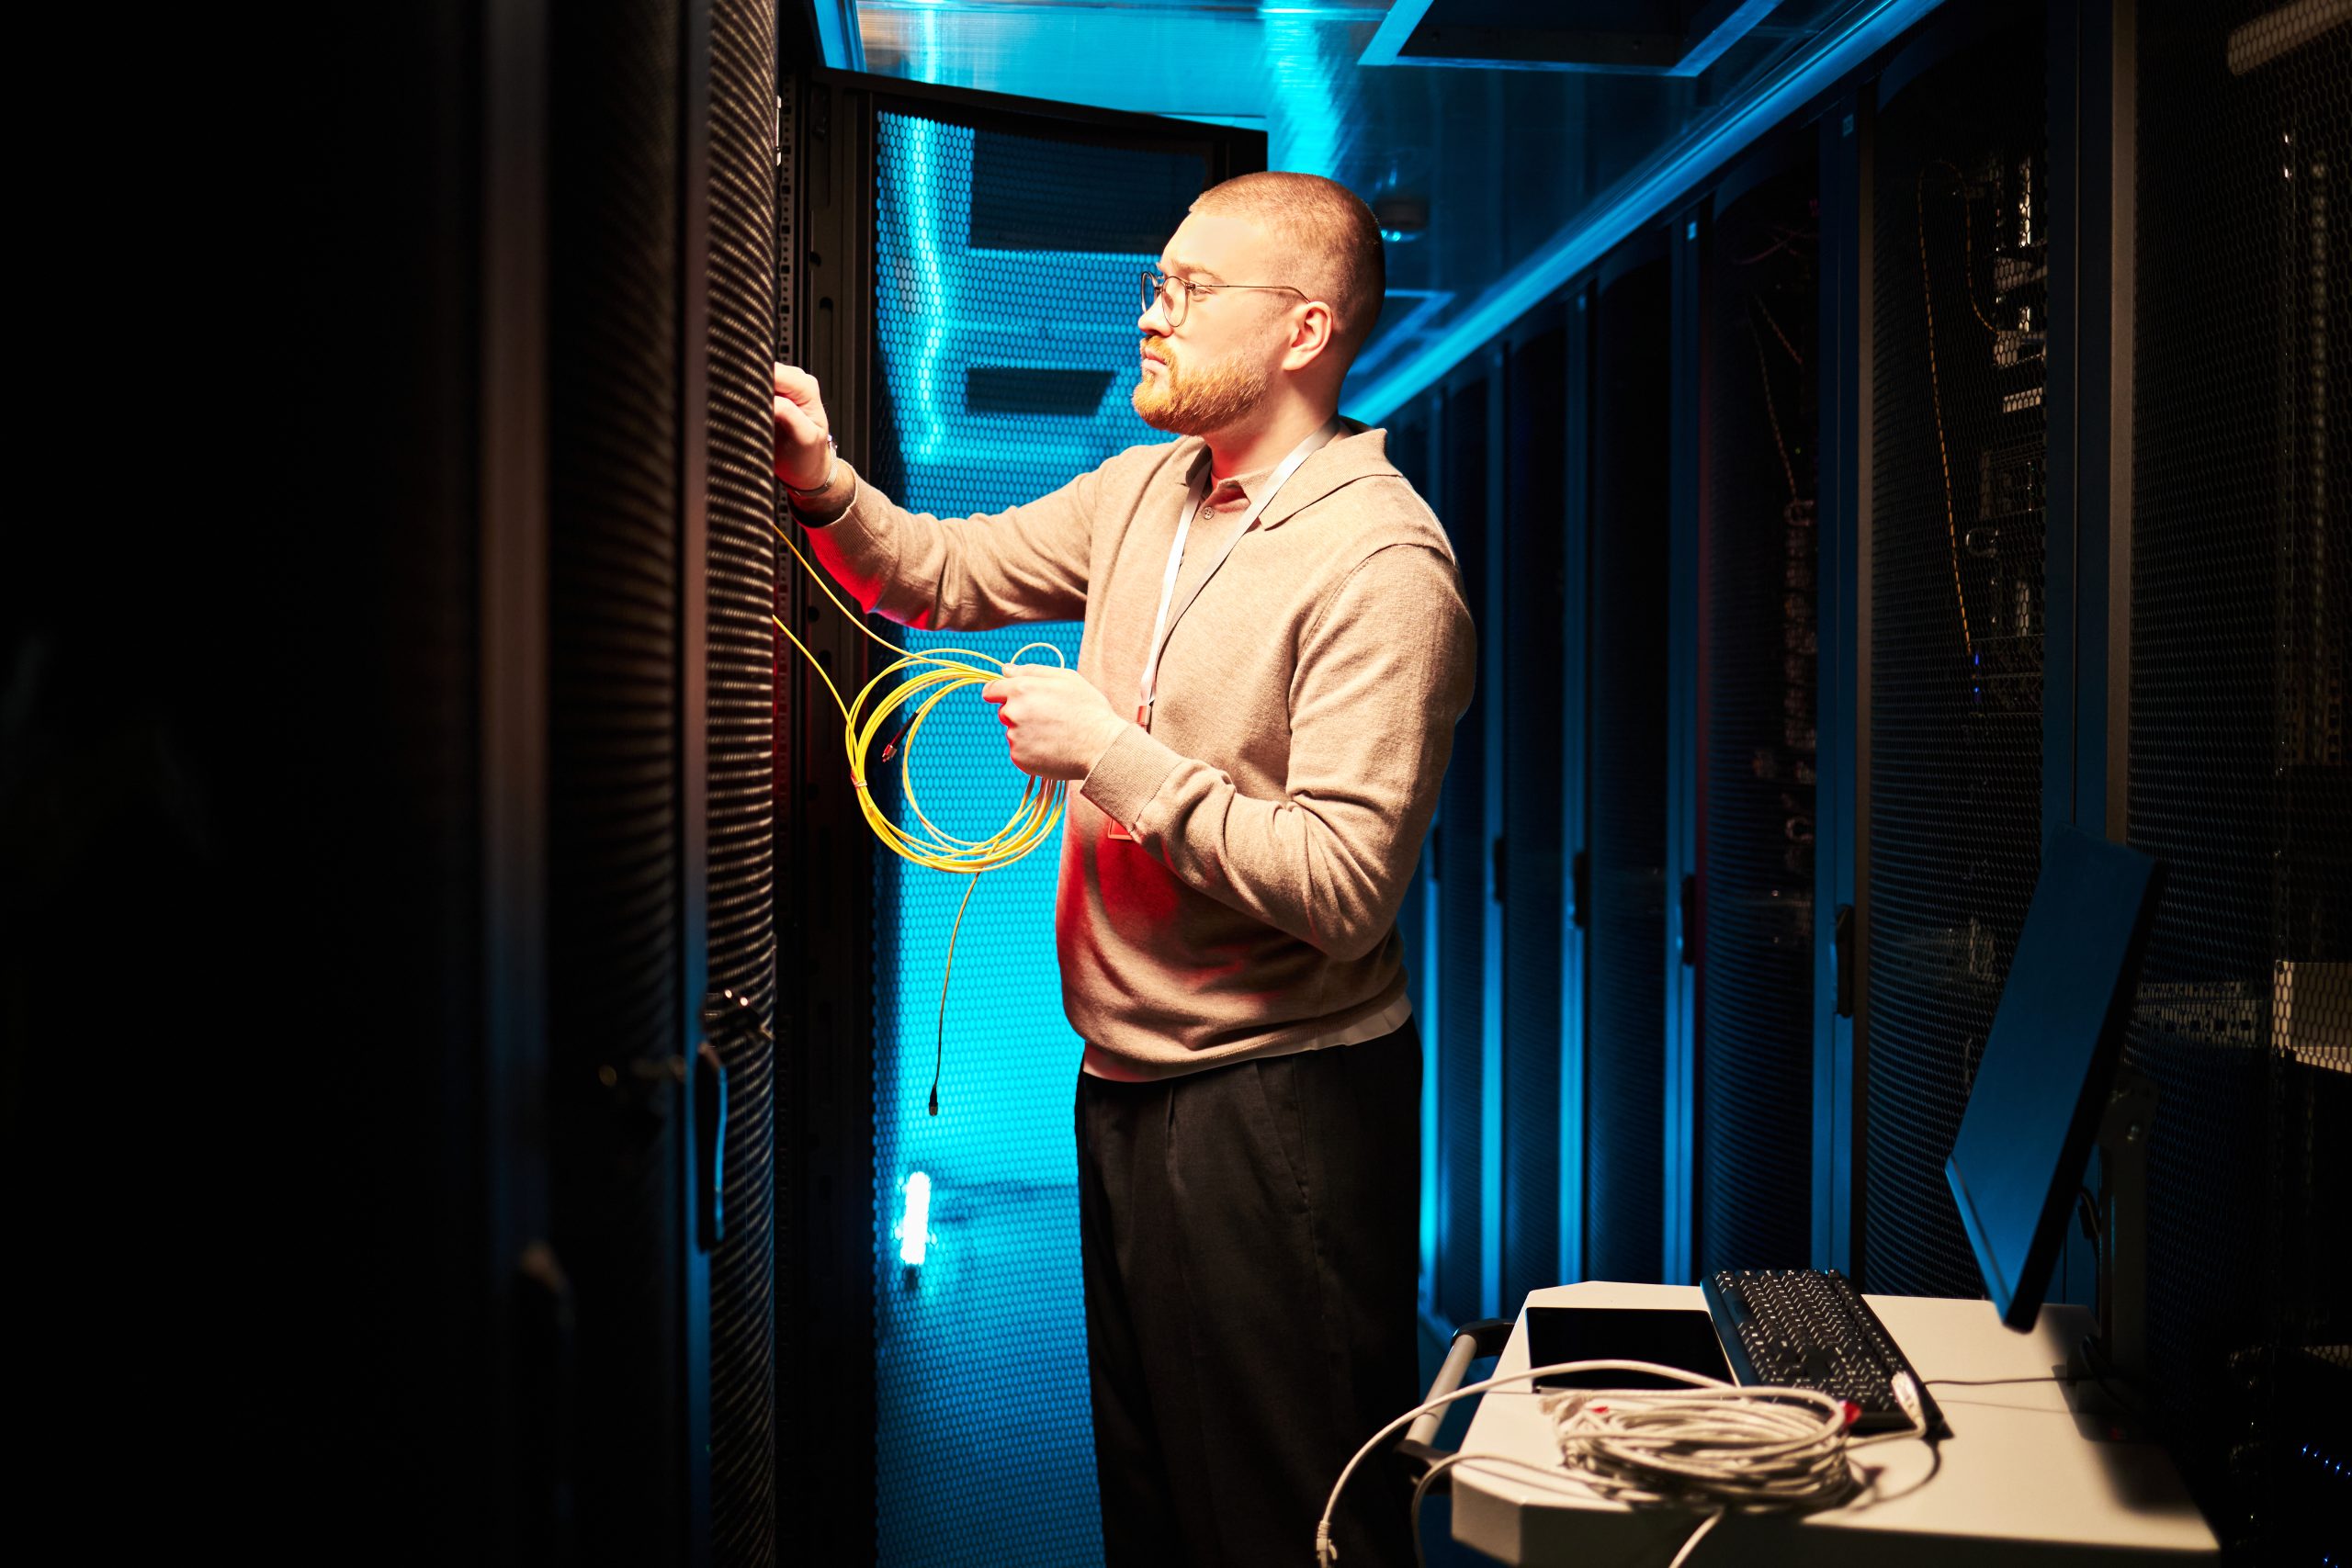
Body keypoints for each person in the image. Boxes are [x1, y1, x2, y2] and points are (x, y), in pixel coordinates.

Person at [772, 170, 1476, 1568]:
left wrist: (1109, 753)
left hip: (1279, 1101)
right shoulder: (1153, 485)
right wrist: (825, 486)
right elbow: (938, 574)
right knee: (1157, 1500)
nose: (1147, 314)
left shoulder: (1384, 564)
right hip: (1128, 1085)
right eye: (1157, 282)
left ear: (1305, 330)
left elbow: (1345, 887)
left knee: (1282, 1520)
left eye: (1187, 289)